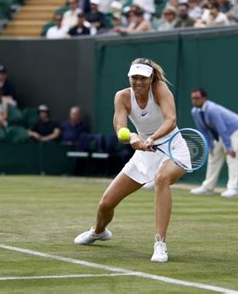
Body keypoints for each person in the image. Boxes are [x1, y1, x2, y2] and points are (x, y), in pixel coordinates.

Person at [74, 58, 190, 263]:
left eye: (143, 78)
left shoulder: (160, 89)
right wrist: (133, 138)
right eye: (134, 77)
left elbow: (171, 120)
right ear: (129, 77)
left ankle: (160, 243)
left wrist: (152, 137)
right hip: (144, 153)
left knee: (161, 179)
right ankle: (99, 231)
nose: (138, 82)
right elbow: (120, 127)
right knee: (105, 204)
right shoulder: (122, 97)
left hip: (173, 148)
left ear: (151, 77)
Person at [190, 88, 238, 198]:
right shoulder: (195, 112)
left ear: (204, 98)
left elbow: (222, 129)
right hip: (224, 134)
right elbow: (204, 130)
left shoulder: (212, 109)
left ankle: (233, 189)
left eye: (197, 98)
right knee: (213, 157)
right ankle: (208, 187)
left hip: (237, 130)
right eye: (192, 98)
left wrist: (229, 148)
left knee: (231, 157)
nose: (194, 101)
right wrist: (211, 147)